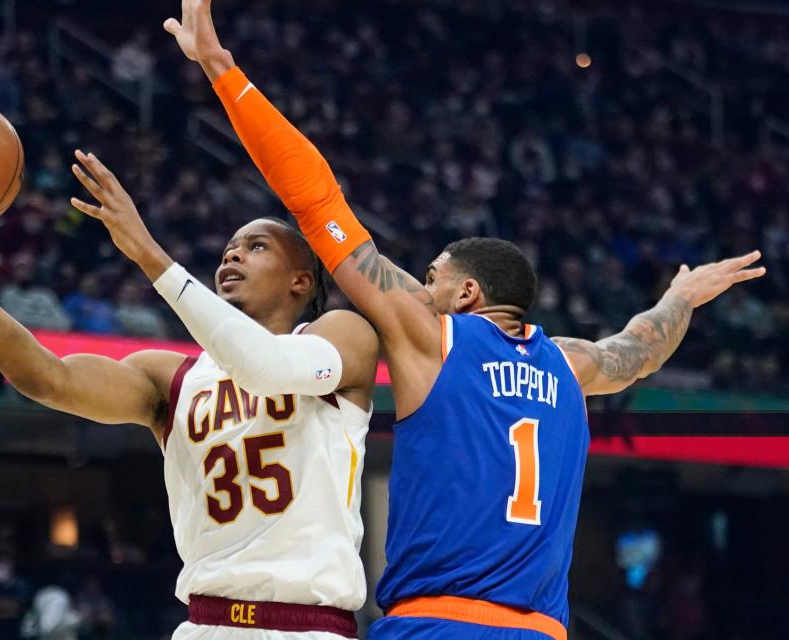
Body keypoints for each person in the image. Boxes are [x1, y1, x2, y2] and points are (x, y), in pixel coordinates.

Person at [162, 2, 767, 637]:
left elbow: (315, 201)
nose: (418, 292)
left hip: (438, 624)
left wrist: (224, 72)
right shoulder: (572, 364)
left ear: (468, 293)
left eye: (430, 280)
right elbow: (641, 346)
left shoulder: (435, 337)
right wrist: (684, 299)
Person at [0, 135, 378, 639]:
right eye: (228, 249)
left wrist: (149, 255)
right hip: (204, 624)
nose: (232, 256)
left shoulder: (342, 335)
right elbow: (43, 376)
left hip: (308, 626)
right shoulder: (170, 378)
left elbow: (266, 368)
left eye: (255, 247)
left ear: (301, 281)